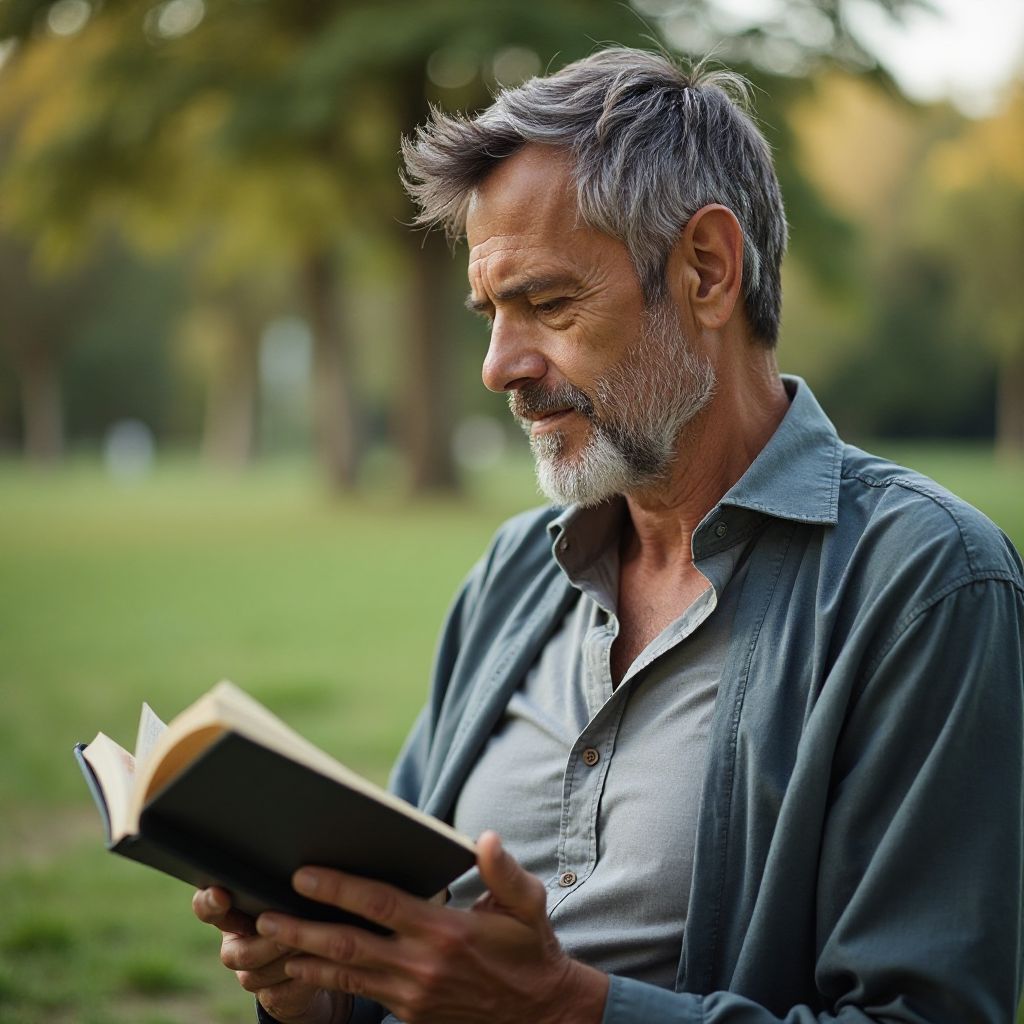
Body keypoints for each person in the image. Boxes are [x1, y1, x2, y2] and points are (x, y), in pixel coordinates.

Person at [193, 47, 1024, 1023]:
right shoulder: (512, 573)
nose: (499, 366)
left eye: (548, 303)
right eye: (490, 314)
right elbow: (412, 954)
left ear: (707, 272)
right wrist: (321, 982)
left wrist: (561, 1006)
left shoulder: (929, 584)